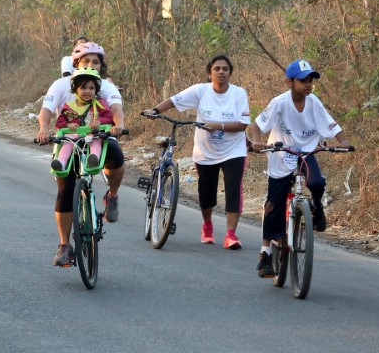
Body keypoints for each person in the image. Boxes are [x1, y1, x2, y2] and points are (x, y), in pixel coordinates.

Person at [247, 59, 353, 277]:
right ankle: (266, 253)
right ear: (289, 81)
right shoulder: (279, 103)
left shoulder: (313, 102)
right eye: (303, 80)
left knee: (316, 182)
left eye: (311, 80)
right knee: (273, 204)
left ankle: (317, 208)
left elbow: (332, 125)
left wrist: (343, 142)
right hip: (281, 154)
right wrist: (257, 141)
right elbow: (257, 125)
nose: (308, 84)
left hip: (305, 153)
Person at [143, 55, 252, 249]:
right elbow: (174, 100)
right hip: (205, 151)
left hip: (233, 150)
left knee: (234, 190)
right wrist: (155, 110)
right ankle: (207, 226)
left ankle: (230, 235)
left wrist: (218, 125)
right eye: (217, 69)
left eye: (225, 69)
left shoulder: (238, 94)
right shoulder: (200, 90)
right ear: (209, 73)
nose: (221, 72)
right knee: (206, 192)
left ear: (230, 73)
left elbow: (243, 125)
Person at [35, 41, 127, 265]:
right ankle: (65, 245)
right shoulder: (60, 85)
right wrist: (44, 130)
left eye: (96, 62)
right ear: (76, 63)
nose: (92, 64)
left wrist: (118, 126)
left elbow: (116, 110)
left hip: (99, 138)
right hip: (69, 140)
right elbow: (46, 112)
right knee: (65, 190)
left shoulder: (104, 86)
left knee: (116, 155)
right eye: (87, 61)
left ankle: (112, 196)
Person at [50, 67, 115, 177]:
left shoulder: (99, 104)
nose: (88, 91)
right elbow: (60, 121)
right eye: (83, 88)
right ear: (75, 89)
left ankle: (93, 160)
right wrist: (68, 124)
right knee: (67, 143)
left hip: (92, 134)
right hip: (74, 135)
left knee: (96, 141)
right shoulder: (70, 106)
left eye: (91, 88)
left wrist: (99, 121)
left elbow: (109, 117)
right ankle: (60, 163)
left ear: (96, 90)